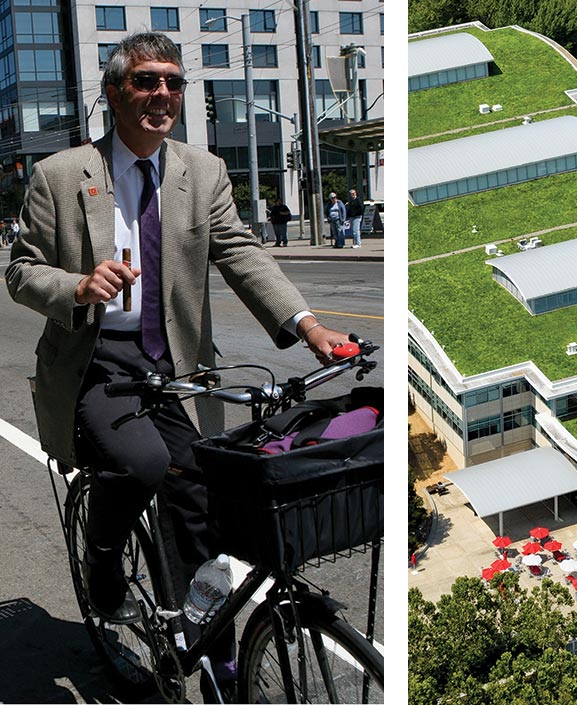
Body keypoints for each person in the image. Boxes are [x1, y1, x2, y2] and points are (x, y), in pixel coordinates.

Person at [5, 32, 346, 699]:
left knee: (201, 495)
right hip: (96, 360)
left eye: (172, 81)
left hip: (171, 364)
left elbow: (243, 254)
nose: (162, 93)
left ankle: (211, 645)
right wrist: (76, 287)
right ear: (114, 92)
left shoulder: (203, 171)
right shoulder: (61, 174)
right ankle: (103, 559)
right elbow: (20, 272)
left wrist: (308, 325)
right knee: (141, 465)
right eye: (145, 81)